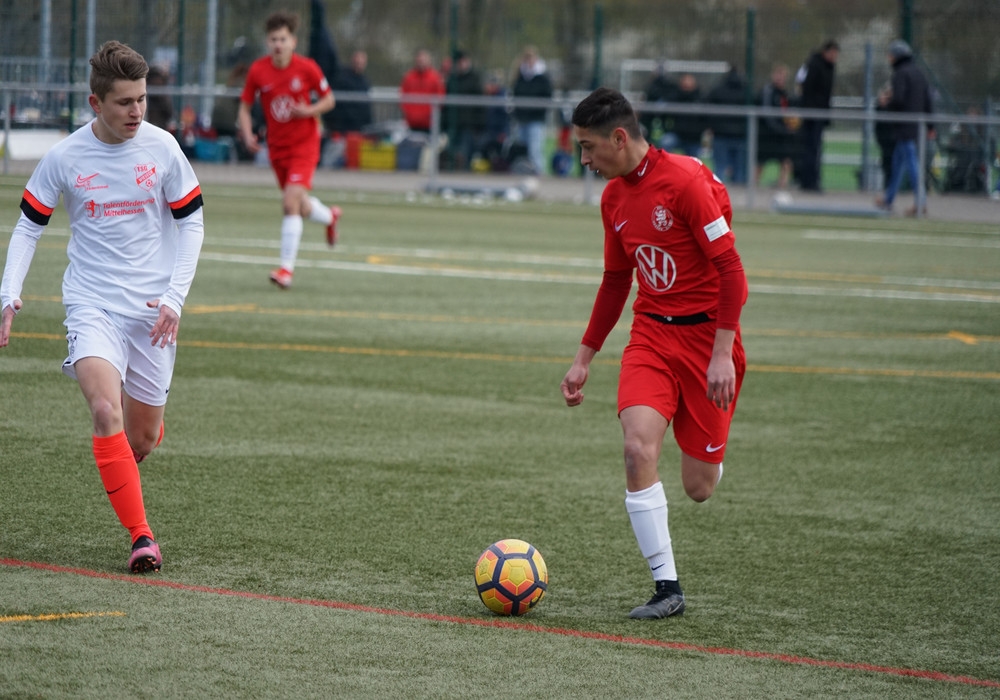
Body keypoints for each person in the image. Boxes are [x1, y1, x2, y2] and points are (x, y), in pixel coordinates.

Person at [0, 40, 205, 574]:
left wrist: (174, 298)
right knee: (103, 410)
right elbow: (28, 227)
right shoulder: (64, 157)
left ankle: (135, 443)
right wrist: (8, 293)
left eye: (142, 99)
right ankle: (142, 537)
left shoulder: (163, 148)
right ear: (96, 103)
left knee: (141, 437)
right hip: (91, 304)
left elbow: (192, 224)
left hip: (152, 313)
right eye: (124, 102)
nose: (137, 111)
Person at [561, 87, 747, 620]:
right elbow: (615, 281)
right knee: (636, 448)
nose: (584, 160)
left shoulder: (687, 183)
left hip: (707, 341)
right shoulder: (612, 199)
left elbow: (732, 273)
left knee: (698, 487)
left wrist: (721, 354)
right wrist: (584, 358)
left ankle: (709, 449)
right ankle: (667, 588)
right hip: (651, 338)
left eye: (589, 147)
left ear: (620, 138)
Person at [238, 11, 342, 289]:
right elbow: (245, 107)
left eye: (283, 39)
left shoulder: (307, 68)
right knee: (299, 204)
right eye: (274, 39)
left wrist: (309, 110)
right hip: (277, 149)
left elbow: (329, 100)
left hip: (305, 145)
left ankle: (286, 269)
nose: (278, 44)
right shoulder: (258, 70)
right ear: (268, 42)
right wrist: (247, 134)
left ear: (293, 41)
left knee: (289, 202)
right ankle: (330, 217)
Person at [876, 40, 934, 216]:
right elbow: (928, 101)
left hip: (903, 125)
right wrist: (931, 125)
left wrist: (886, 103)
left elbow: (899, 99)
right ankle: (888, 199)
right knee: (898, 162)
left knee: (911, 163)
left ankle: (920, 202)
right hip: (914, 125)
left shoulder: (900, 74)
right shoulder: (919, 73)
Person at [795, 39, 839, 192]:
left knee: (815, 148)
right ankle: (808, 181)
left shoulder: (829, 66)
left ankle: (812, 180)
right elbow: (807, 87)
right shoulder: (814, 65)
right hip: (813, 114)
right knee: (811, 148)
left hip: (819, 114)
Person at [512, 46, 554, 175]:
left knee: (535, 148)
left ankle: (538, 173)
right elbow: (516, 94)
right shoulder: (520, 77)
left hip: (536, 118)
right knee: (522, 149)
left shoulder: (542, 77)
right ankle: (524, 173)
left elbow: (547, 95)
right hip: (522, 118)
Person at [755, 63, 798, 189]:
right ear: (772, 76)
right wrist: (781, 129)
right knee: (760, 163)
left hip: (780, 136)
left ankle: (781, 187)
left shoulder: (784, 94)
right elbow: (767, 115)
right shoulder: (767, 92)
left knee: (786, 162)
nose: (780, 78)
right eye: (778, 75)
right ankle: (753, 188)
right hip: (767, 135)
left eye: (782, 76)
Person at [706, 64, 748, 184]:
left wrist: (712, 126)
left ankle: (718, 194)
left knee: (720, 168)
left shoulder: (718, 89)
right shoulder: (745, 91)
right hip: (739, 134)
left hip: (720, 133)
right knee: (739, 171)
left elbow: (708, 107)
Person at [443, 50, 485, 170]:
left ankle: (463, 174)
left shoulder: (475, 78)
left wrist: (479, 124)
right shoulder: (452, 79)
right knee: (451, 154)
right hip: (453, 124)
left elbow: (480, 104)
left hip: (468, 125)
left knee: (464, 155)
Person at [326, 50, 373, 136]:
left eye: (361, 62)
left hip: (360, 127)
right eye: (357, 62)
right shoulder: (341, 78)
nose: (359, 64)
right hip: (343, 127)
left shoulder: (365, 81)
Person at [399, 49, 446, 134]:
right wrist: (409, 114)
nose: (421, 63)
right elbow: (402, 96)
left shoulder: (435, 77)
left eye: (423, 60)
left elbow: (440, 98)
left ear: (428, 61)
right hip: (412, 123)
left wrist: (429, 114)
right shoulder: (409, 77)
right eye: (419, 60)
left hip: (429, 124)